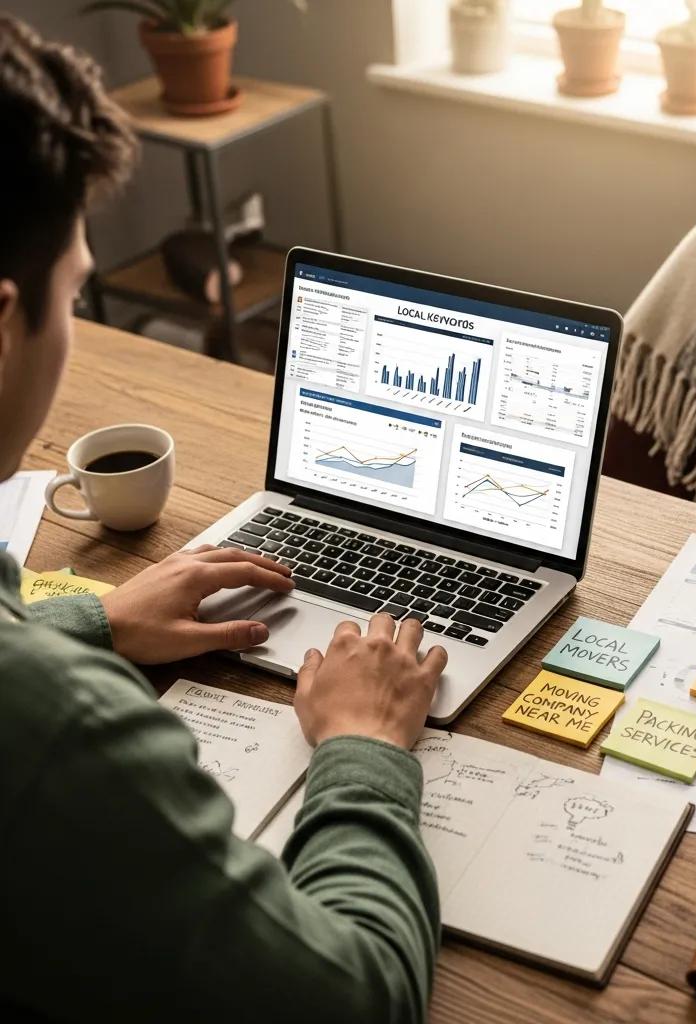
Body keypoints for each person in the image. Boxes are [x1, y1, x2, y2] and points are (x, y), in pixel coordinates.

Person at [0, 16, 447, 1022]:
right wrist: (364, 749)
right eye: (76, 289)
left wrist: (96, 621)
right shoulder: (65, 729)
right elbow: (361, 999)